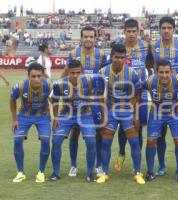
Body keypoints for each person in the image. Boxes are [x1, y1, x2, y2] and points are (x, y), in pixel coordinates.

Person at [147, 16, 178, 177]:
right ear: (159, 29)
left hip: (177, 95)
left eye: (169, 28)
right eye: (163, 27)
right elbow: (148, 65)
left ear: (174, 29)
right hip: (159, 93)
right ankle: (161, 166)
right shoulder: (153, 45)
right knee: (158, 135)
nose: (166, 30)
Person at [48, 59, 105, 182]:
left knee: (90, 141)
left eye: (78, 72)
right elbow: (55, 101)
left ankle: (90, 173)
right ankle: (56, 173)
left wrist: (101, 112)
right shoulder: (59, 84)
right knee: (56, 141)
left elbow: (100, 93)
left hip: (85, 114)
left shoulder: (91, 80)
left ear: (82, 72)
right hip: (66, 114)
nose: (75, 75)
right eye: (72, 73)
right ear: (68, 72)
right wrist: (55, 119)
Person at [61, 26, 108, 177]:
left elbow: (103, 76)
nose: (88, 39)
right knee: (75, 132)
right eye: (85, 37)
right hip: (76, 100)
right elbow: (66, 74)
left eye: (91, 37)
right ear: (81, 38)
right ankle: (73, 165)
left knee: (99, 132)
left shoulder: (101, 55)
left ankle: (99, 165)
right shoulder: (73, 54)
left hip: (94, 100)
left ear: (95, 38)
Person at [97, 44, 144, 184]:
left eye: (122, 57)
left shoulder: (131, 73)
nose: (119, 60)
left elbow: (138, 94)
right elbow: (99, 96)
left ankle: (137, 172)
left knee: (134, 142)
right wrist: (103, 115)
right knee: (106, 143)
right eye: (116, 57)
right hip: (110, 111)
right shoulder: (102, 72)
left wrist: (136, 115)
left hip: (127, 111)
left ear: (125, 58)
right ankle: (105, 173)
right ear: (111, 57)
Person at [114, 18, 149, 172]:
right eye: (128, 31)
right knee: (123, 126)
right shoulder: (119, 48)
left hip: (141, 95)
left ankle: (137, 158)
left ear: (138, 32)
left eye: (134, 31)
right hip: (123, 95)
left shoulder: (146, 47)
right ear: (124, 32)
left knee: (138, 126)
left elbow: (151, 65)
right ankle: (122, 153)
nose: (131, 34)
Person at [143, 59, 178, 182]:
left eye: (167, 72)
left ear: (171, 71)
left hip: (174, 113)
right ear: (156, 72)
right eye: (161, 72)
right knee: (151, 141)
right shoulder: (150, 81)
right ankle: (150, 171)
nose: (164, 75)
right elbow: (137, 89)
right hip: (156, 113)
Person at [10, 63, 52, 183]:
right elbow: (12, 100)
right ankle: (20, 172)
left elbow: (54, 100)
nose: (36, 79)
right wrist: (14, 120)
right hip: (24, 115)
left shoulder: (49, 85)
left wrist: (57, 117)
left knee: (45, 140)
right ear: (28, 76)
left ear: (43, 75)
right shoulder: (20, 86)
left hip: (42, 116)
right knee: (17, 140)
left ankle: (41, 172)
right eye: (33, 76)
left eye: (39, 76)